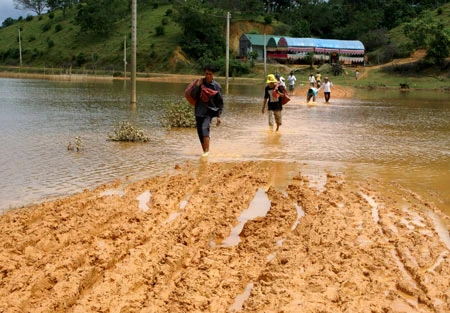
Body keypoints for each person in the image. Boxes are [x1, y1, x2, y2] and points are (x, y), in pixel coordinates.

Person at [190, 64, 223, 157]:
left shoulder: (217, 86)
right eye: (206, 73)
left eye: (210, 74)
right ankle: (205, 152)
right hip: (199, 111)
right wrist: (197, 86)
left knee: (205, 128)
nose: (208, 76)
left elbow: (220, 102)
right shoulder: (200, 83)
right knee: (200, 132)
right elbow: (193, 95)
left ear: (213, 75)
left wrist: (219, 116)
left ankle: (207, 152)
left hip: (209, 111)